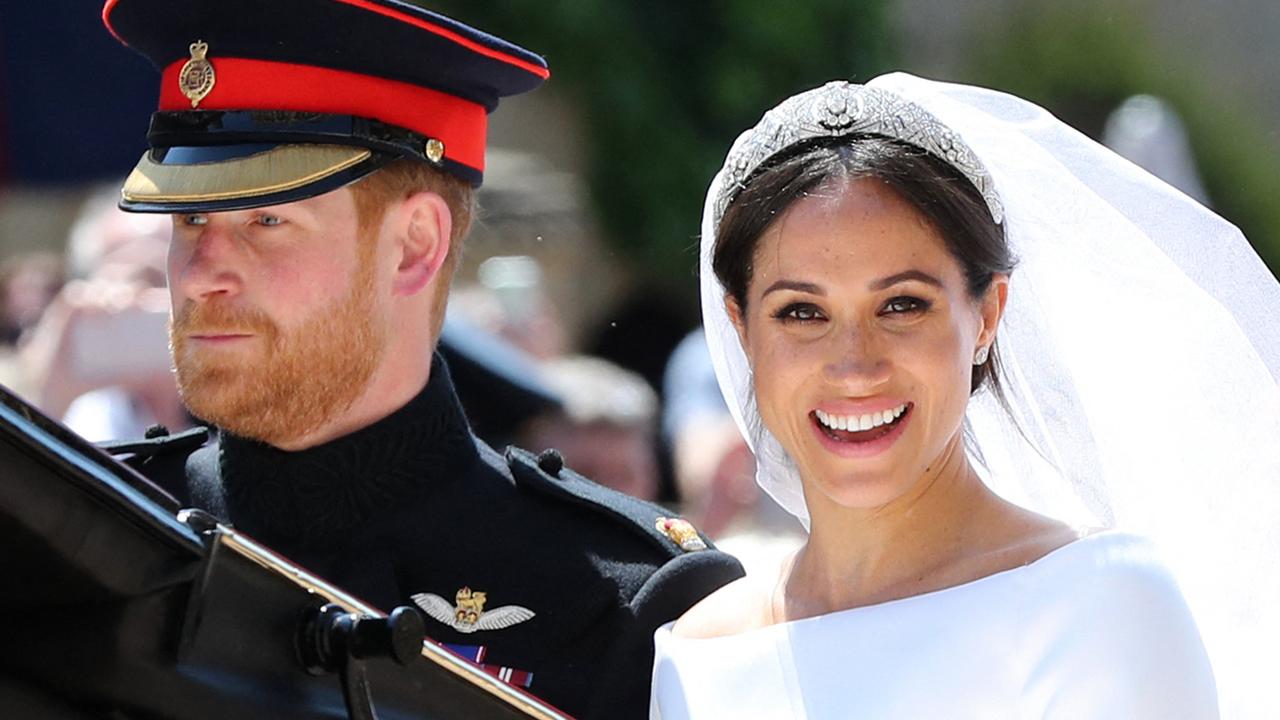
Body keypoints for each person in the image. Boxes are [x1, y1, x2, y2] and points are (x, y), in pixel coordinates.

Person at [97, 1, 743, 717]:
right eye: (189, 220)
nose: (198, 273)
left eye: (266, 220)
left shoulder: (623, 607)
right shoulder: (83, 522)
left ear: (413, 245)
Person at [651, 74, 1280, 718]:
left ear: (987, 314)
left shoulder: (1095, 603)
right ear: (741, 327)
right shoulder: (700, 655)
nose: (854, 366)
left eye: (901, 305)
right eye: (802, 313)